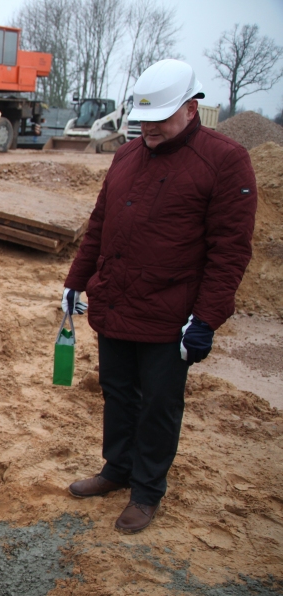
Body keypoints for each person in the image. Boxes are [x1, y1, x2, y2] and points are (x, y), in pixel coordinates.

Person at [62, 59, 255, 533]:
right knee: (118, 392)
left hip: (171, 314)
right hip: (116, 303)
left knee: (159, 404)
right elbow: (100, 225)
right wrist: (76, 280)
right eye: (143, 120)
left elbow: (229, 250)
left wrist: (206, 319)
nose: (147, 129)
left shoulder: (225, 161)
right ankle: (117, 469)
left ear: (191, 109)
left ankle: (147, 491)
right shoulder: (126, 156)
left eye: (160, 120)